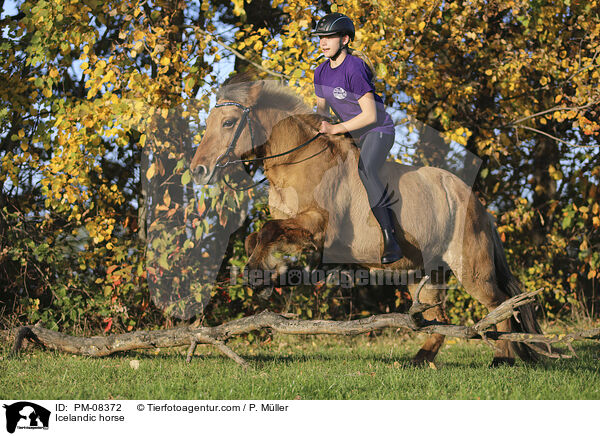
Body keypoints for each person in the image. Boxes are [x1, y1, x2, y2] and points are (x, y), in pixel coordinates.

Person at [312, 12, 403, 264]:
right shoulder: (319, 72)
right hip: (349, 133)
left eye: (329, 37)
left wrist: (334, 130)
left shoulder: (354, 67)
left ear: (345, 40)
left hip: (377, 130)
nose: (323, 42)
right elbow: (321, 114)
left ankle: (391, 239)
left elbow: (370, 115)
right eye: (321, 38)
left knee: (366, 170)